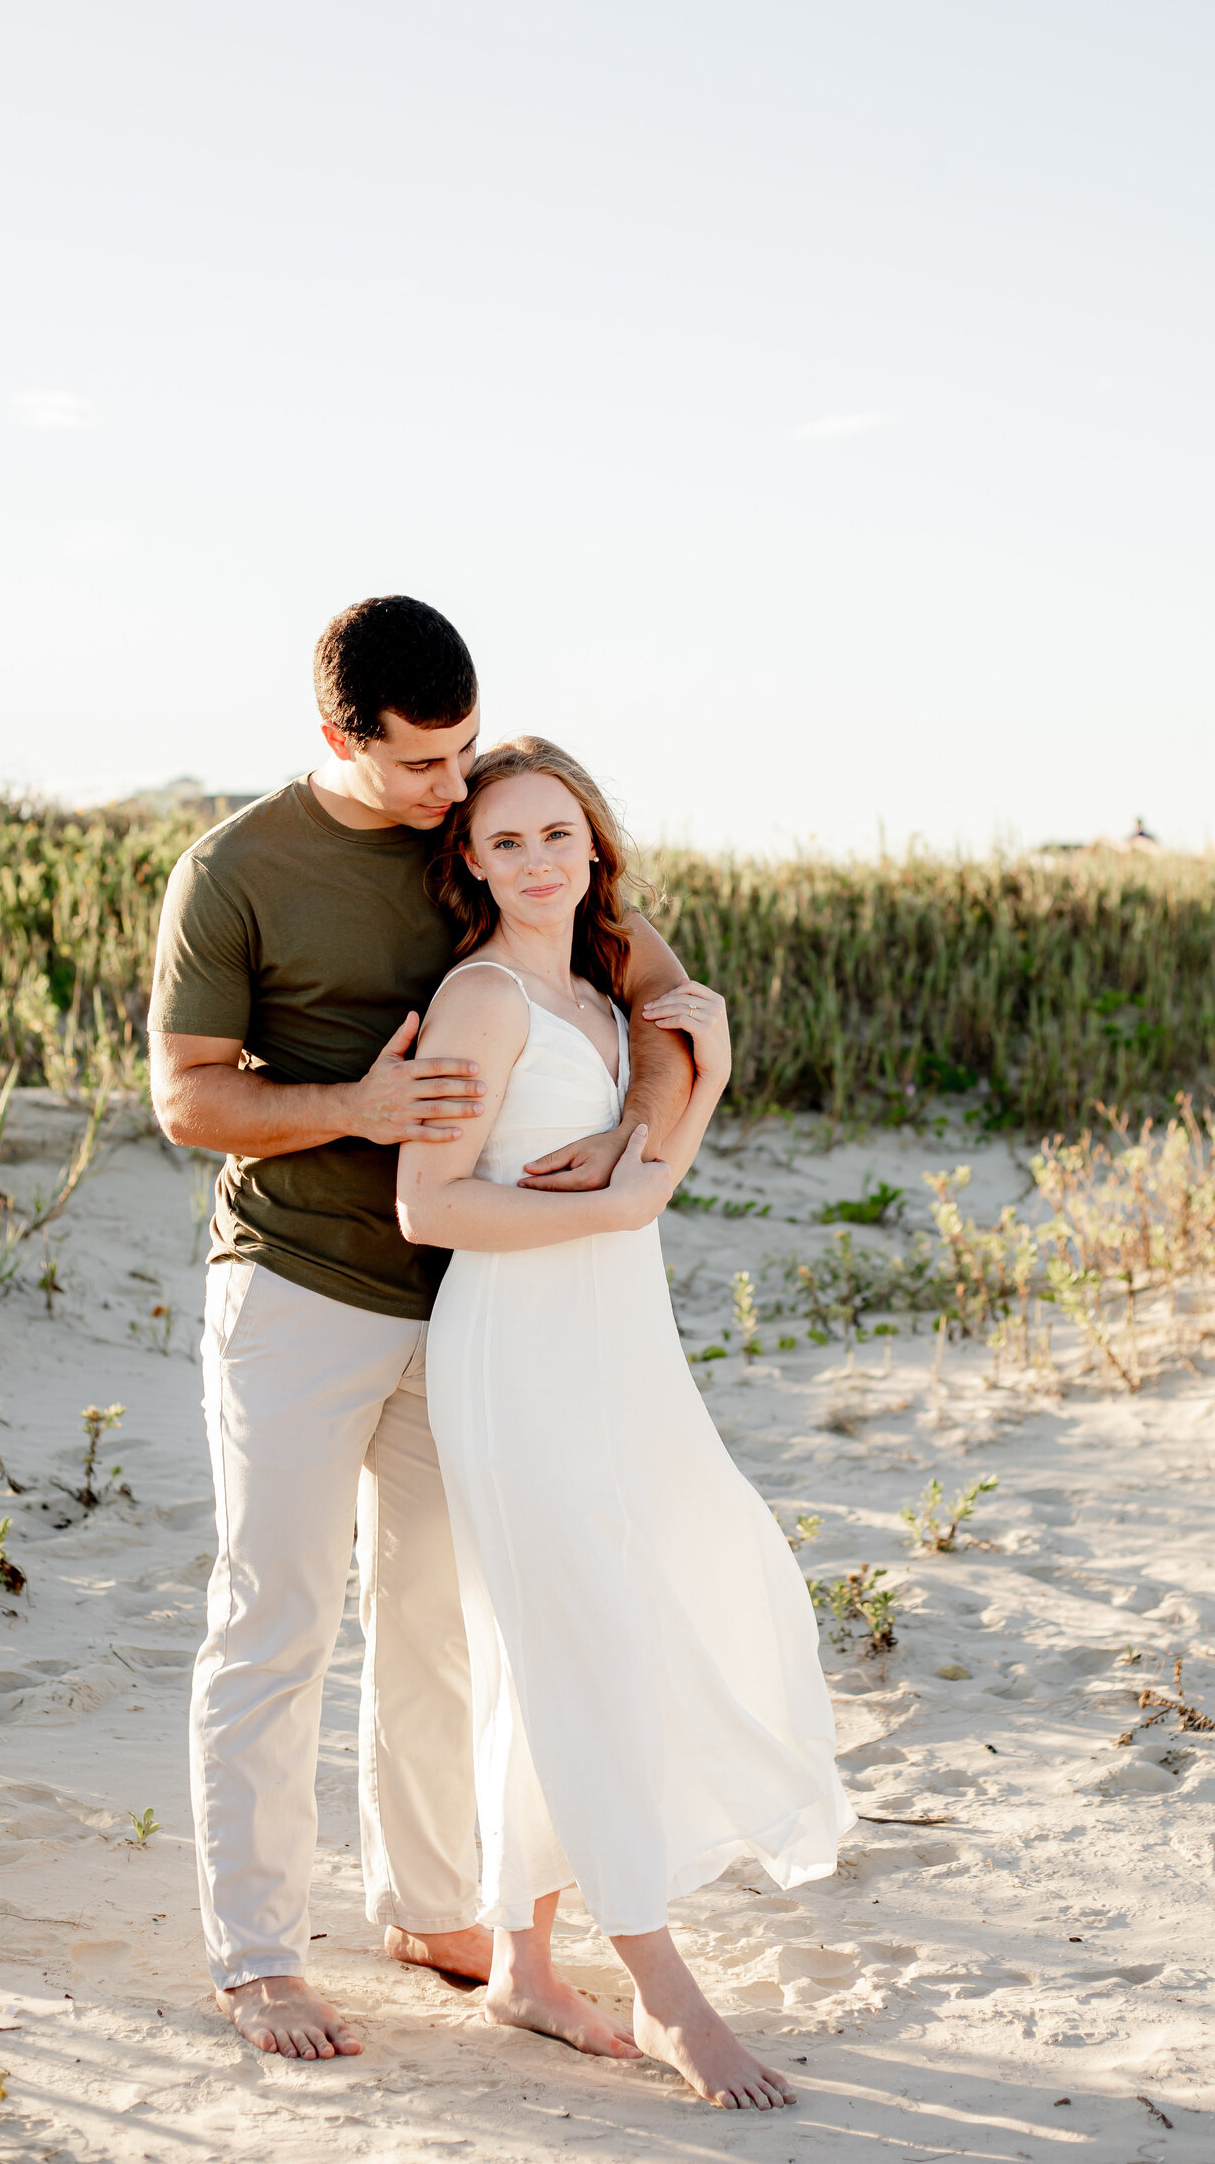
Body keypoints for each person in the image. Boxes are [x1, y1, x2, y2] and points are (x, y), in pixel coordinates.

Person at [147, 598, 697, 2060]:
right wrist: (352, 1109)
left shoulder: (493, 829)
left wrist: (635, 1129)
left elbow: (663, 995)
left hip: (472, 1310)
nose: (453, 792)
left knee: (439, 1619)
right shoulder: (237, 869)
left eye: (464, 754)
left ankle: (431, 1905)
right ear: (340, 737)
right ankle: (260, 1954)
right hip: (298, 1288)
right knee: (277, 1615)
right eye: (420, 767)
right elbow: (188, 1096)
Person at [396, 736, 853, 2113]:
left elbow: (649, 1181)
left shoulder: (599, 992)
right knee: (575, 1636)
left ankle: (528, 1961)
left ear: (596, 846)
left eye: (558, 835)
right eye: (508, 841)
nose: (538, 861)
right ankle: (665, 1994)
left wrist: (693, 1089)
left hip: (617, 1341)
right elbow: (430, 1205)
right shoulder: (479, 999)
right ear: (470, 864)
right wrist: (602, 1205)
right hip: (517, 1349)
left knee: (627, 1603)